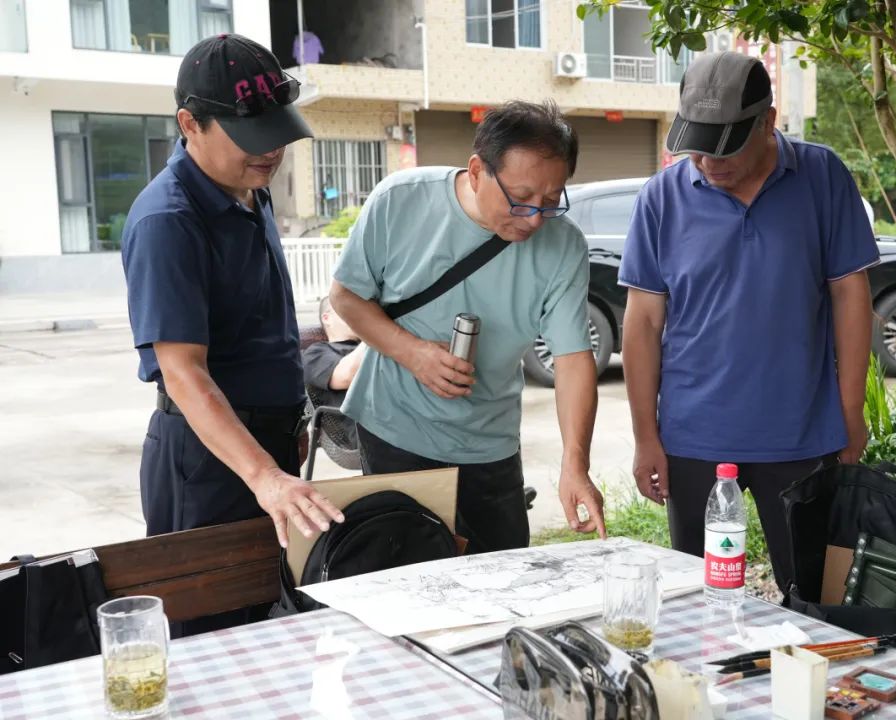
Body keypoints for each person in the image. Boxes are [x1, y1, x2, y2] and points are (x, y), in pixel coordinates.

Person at [620, 52, 879, 596]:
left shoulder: (821, 175)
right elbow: (643, 324)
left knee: (812, 593)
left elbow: (850, 297)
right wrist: (647, 435)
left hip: (802, 433)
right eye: (697, 143)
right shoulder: (660, 199)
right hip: (694, 437)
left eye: (727, 144)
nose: (710, 161)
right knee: (695, 595)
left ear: (769, 121)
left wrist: (850, 412)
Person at [328, 101, 607, 554]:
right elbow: (346, 296)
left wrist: (575, 464)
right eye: (520, 197)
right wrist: (413, 354)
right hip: (395, 429)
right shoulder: (400, 199)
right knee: (405, 578)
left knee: (500, 581)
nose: (534, 218)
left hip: (490, 444)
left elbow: (573, 357)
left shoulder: (564, 245)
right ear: (477, 171)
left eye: (551, 201)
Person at [121, 33, 344, 567]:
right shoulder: (169, 222)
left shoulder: (248, 187)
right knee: (212, 623)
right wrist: (263, 474)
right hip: (207, 459)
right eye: (250, 135)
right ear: (189, 124)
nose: (270, 150)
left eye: (277, 133)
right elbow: (184, 373)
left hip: (266, 441)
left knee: (272, 608)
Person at [302, 297, 364, 449]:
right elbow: (346, 377)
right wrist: (376, 332)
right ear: (327, 318)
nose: (357, 315)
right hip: (361, 432)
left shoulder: (367, 347)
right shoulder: (316, 353)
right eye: (348, 308)